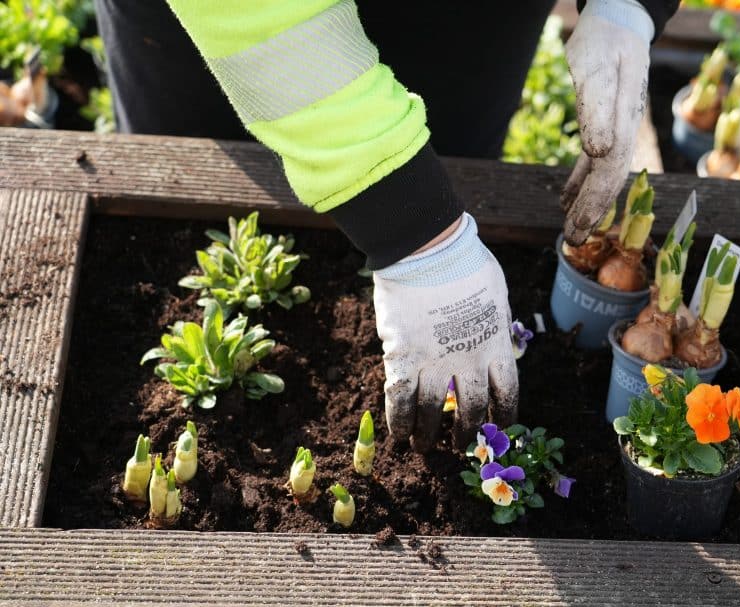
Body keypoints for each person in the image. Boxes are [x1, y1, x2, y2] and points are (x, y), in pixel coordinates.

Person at [96, 0, 678, 451]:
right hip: (242, 32)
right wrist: (414, 227)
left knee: (454, 154)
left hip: (467, 20)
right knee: (183, 229)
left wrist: (627, 6)